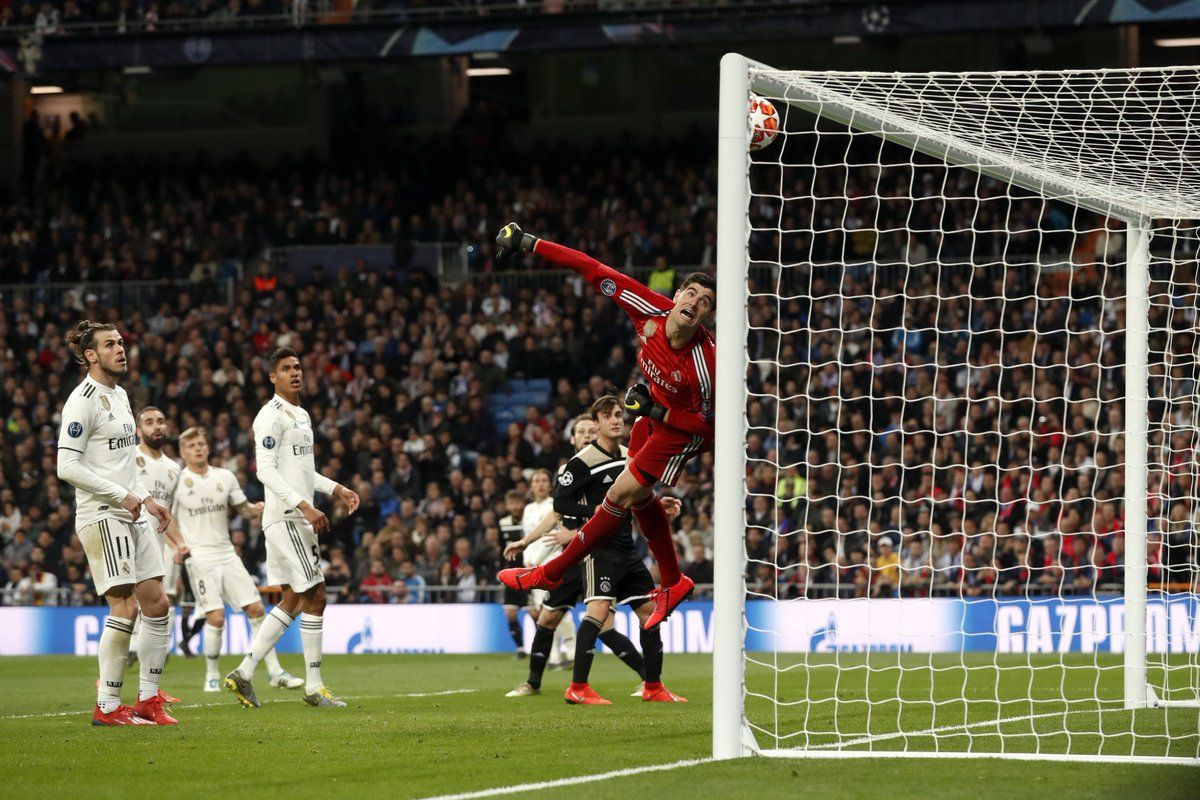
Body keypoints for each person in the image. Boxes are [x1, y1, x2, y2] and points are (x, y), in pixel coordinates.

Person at [496, 223, 715, 629]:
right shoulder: (647, 308)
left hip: (684, 430)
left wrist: (658, 412)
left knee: (618, 494)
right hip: (654, 414)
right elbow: (590, 267)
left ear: (706, 316)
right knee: (638, 498)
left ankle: (552, 571)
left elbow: (706, 426)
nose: (695, 302)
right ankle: (673, 582)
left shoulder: (705, 364)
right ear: (677, 295)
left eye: (705, 302)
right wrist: (530, 243)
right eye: (691, 293)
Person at [223, 347, 361, 709]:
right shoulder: (270, 416)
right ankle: (314, 687)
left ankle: (244, 673)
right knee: (317, 595)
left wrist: (337, 488)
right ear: (273, 377)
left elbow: (301, 471)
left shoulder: (301, 414)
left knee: (293, 599)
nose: (295, 372)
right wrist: (304, 506)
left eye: (298, 367)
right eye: (286, 369)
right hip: (288, 518)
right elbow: (265, 471)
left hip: (289, 517)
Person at [56, 320, 175, 725]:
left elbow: (124, 464)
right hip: (103, 513)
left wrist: (147, 499)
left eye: (121, 342)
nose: (120, 349)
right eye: (109, 344)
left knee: (157, 603)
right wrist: (119, 495)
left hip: (133, 510)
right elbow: (66, 466)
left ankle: (148, 699)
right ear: (90, 355)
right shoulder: (82, 401)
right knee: (124, 606)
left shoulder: (121, 395)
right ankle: (107, 706)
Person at [501, 412, 649, 701]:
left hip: (598, 553)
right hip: (571, 559)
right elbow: (556, 513)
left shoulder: (613, 464)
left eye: (591, 431)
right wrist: (526, 540)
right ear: (572, 439)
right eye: (581, 432)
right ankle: (532, 683)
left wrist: (577, 533)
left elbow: (613, 512)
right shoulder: (568, 471)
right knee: (547, 619)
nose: (587, 436)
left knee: (604, 626)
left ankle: (648, 679)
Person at [558, 396, 688, 703]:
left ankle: (653, 686)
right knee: (598, 612)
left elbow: (637, 495)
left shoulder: (632, 455)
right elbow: (560, 502)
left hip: (626, 548)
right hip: (598, 548)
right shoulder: (582, 462)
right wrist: (596, 511)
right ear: (597, 424)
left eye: (619, 414)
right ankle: (577, 687)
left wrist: (658, 505)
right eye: (608, 416)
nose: (616, 420)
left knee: (650, 613)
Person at [171, 426, 304, 693]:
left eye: (201, 444)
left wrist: (254, 509)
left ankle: (275, 673)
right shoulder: (176, 482)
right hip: (198, 557)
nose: (198, 448)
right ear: (183, 452)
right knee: (216, 617)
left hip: (227, 553)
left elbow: (242, 508)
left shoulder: (225, 476)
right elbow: (166, 519)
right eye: (191, 446)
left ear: (208, 447)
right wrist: (177, 545)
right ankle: (211, 676)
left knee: (256, 609)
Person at [126, 407, 186, 697]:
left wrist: (179, 543)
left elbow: (167, 515)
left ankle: (149, 687)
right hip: (129, 540)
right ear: (139, 430)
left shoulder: (174, 468)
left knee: (158, 607)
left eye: (161, 421)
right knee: (128, 609)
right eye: (149, 422)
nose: (157, 426)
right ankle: (111, 680)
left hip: (158, 547)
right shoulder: (129, 457)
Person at [520, 468, 575, 670]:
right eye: (536, 481)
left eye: (544, 480)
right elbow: (527, 537)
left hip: (552, 563)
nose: (541, 484)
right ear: (531, 486)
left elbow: (556, 538)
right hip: (533, 567)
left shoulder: (555, 505)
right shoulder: (528, 509)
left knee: (558, 610)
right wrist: (527, 561)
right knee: (543, 612)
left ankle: (572, 653)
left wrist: (537, 560)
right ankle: (553, 657)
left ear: (549, 485)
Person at [497, 490, 531, 657]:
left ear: (522, 504)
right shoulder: (503, 523)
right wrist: (500, 569)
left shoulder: (530, 520)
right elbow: (501, 548)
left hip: (529, 572)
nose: (515, 506)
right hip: (511, 574)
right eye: (512, 503)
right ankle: (520, 649)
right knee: (510, 613)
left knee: (535, 613)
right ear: (507, 505)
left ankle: (545, 648)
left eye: (517, 502)